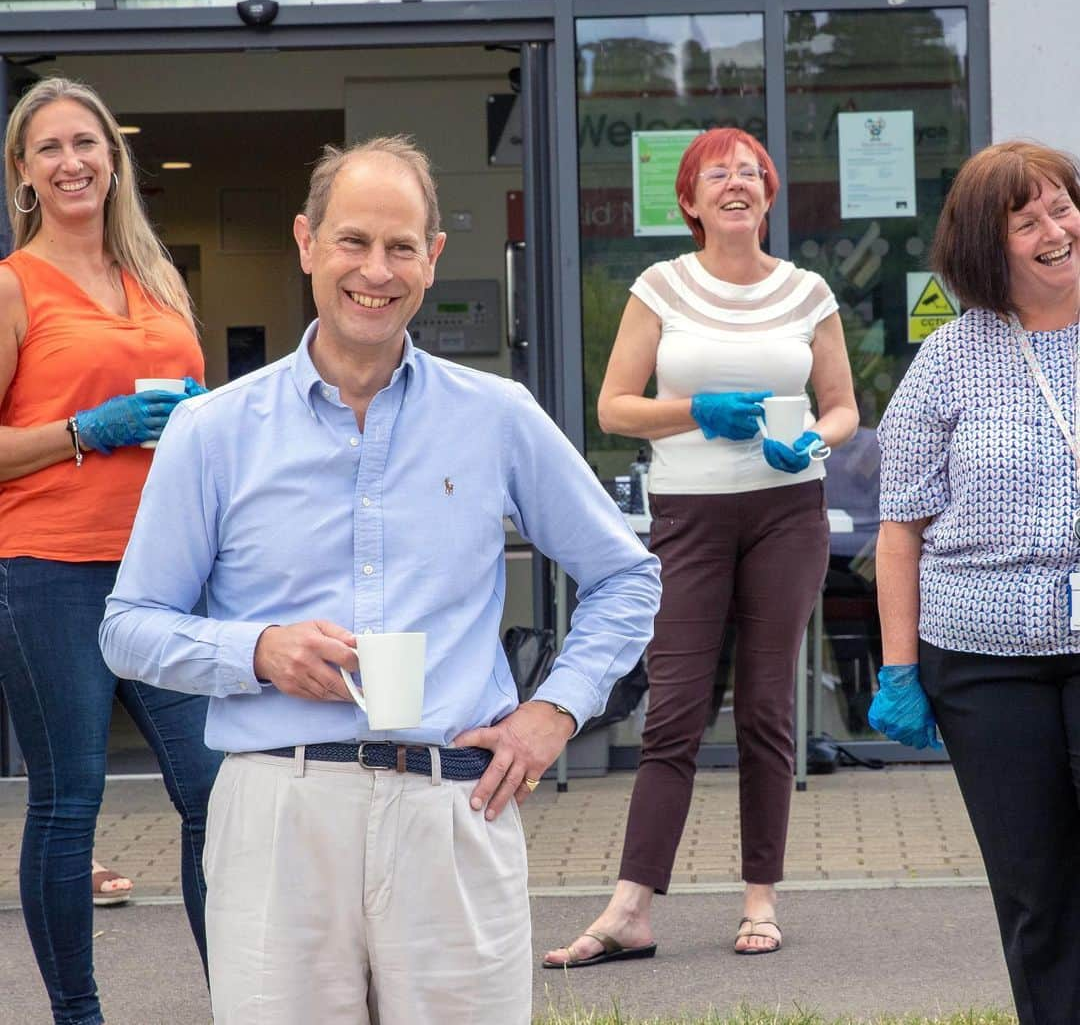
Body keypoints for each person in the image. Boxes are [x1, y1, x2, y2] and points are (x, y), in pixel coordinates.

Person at [98, 135, 661, 1025]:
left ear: (433, 259)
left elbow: (627, 577)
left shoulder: (496, 418)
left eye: (402, 246)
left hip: (453, 807)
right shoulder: (213, 431)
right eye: (353, 240)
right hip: (277, 811)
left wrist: (554, 712)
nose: (376, 269)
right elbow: (128, 626)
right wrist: (258, 649)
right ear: (306, 243)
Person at [544, 127, 858, 967]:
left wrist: (815, 447)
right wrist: (695, 411)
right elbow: (614, 407)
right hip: (688, 514)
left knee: (765, 706)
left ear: (768, 193)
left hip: (788, 512)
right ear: (688, 199)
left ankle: (761, 898)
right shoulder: (661, 287)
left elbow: (842, 407)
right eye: (717, 173)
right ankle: (631, 907)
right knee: (675, 709)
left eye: (751, 172)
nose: (736, 182)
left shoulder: (807, 292)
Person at [0, 77, 220, 1025]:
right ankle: (78, 1016)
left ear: (114, 159)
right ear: (24, 174)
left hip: (164, 571)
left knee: (216, 790)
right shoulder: (14, 287)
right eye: (48, 148)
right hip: (49, 569)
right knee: (70, 796)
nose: (72, 161)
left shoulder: (158, 284)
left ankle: (246, 998)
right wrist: (88, 428)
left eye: (86, 142)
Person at [871, 140, 1080, 1025]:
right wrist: (898, 668)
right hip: (983, 661)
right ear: (987, 249)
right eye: (1024, 219)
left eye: (1062, 206)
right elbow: (899, 528)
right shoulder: (951, 357)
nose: (1054, 230)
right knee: (1038, 889)